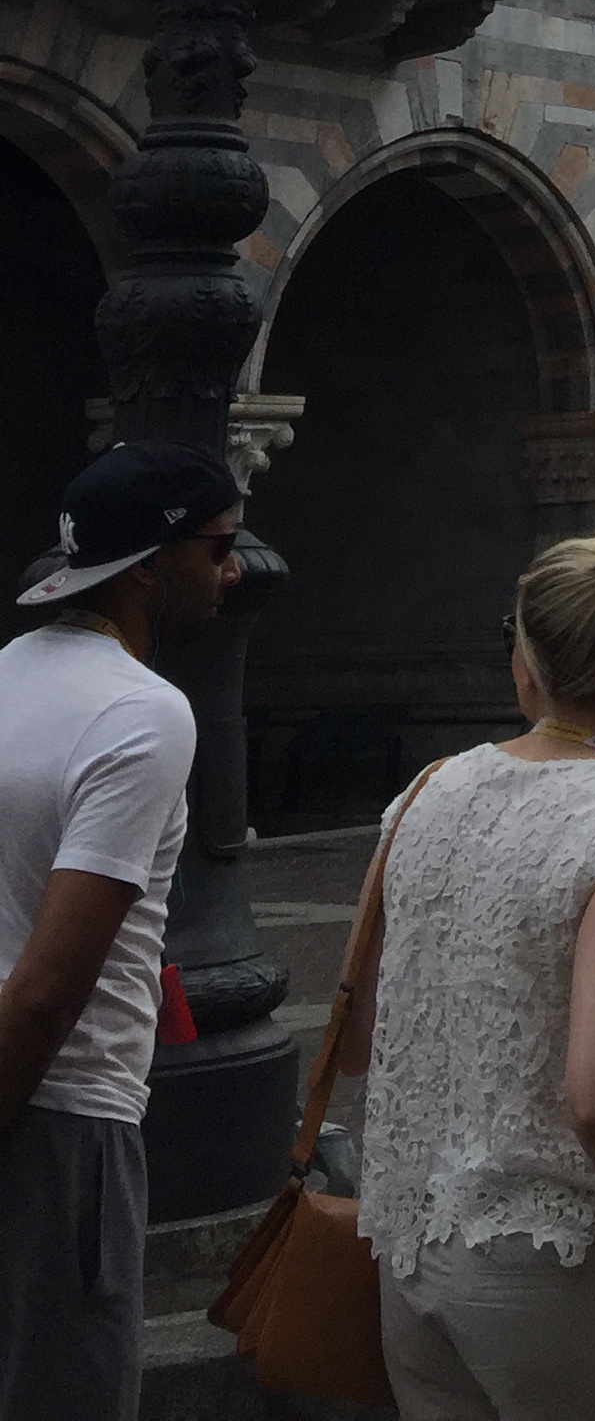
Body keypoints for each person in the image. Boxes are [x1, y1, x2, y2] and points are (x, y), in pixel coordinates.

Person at [346, 522, 595, 1420]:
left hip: (411, 1249)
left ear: (526, 663)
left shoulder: (423, 794)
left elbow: (356, 1038)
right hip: (553, 1255)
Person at [0, 443, 243, 1421]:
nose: (233, 571)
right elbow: (48, 990)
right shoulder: (144, 713)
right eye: (218, 547)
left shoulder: (7, 673)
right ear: (149, 563)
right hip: (60, 1118)